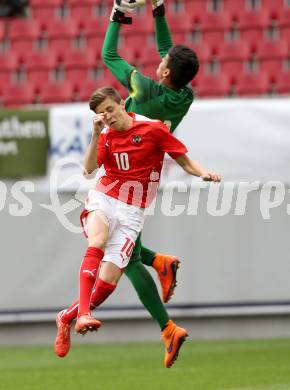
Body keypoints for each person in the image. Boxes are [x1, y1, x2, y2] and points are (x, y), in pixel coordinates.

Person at [55, 87, 221, 368]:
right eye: (100, 114)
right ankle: (83, 314)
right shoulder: (106, 135)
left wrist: (202, 172)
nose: (106, 117)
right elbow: (88, 171)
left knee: (107, 285)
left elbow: (182, 158)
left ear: (122, 104)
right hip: (105, 197)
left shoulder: (152, 129)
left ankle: (66, 318)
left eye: (109, 109)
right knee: (97, 239)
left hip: (133, 212)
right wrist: (96, 134)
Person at [103, 0, 200, 306]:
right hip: (147, 172)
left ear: (166, 70)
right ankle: (161, 262)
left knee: (125, 255)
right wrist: (158, 9)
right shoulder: (185, 94)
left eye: (164, 60)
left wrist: (119, 13)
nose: (160, 59)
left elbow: (108, 55)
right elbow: (167, 50)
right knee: (119, 242)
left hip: (126, 172)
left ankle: (168, 328)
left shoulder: (142, 89)